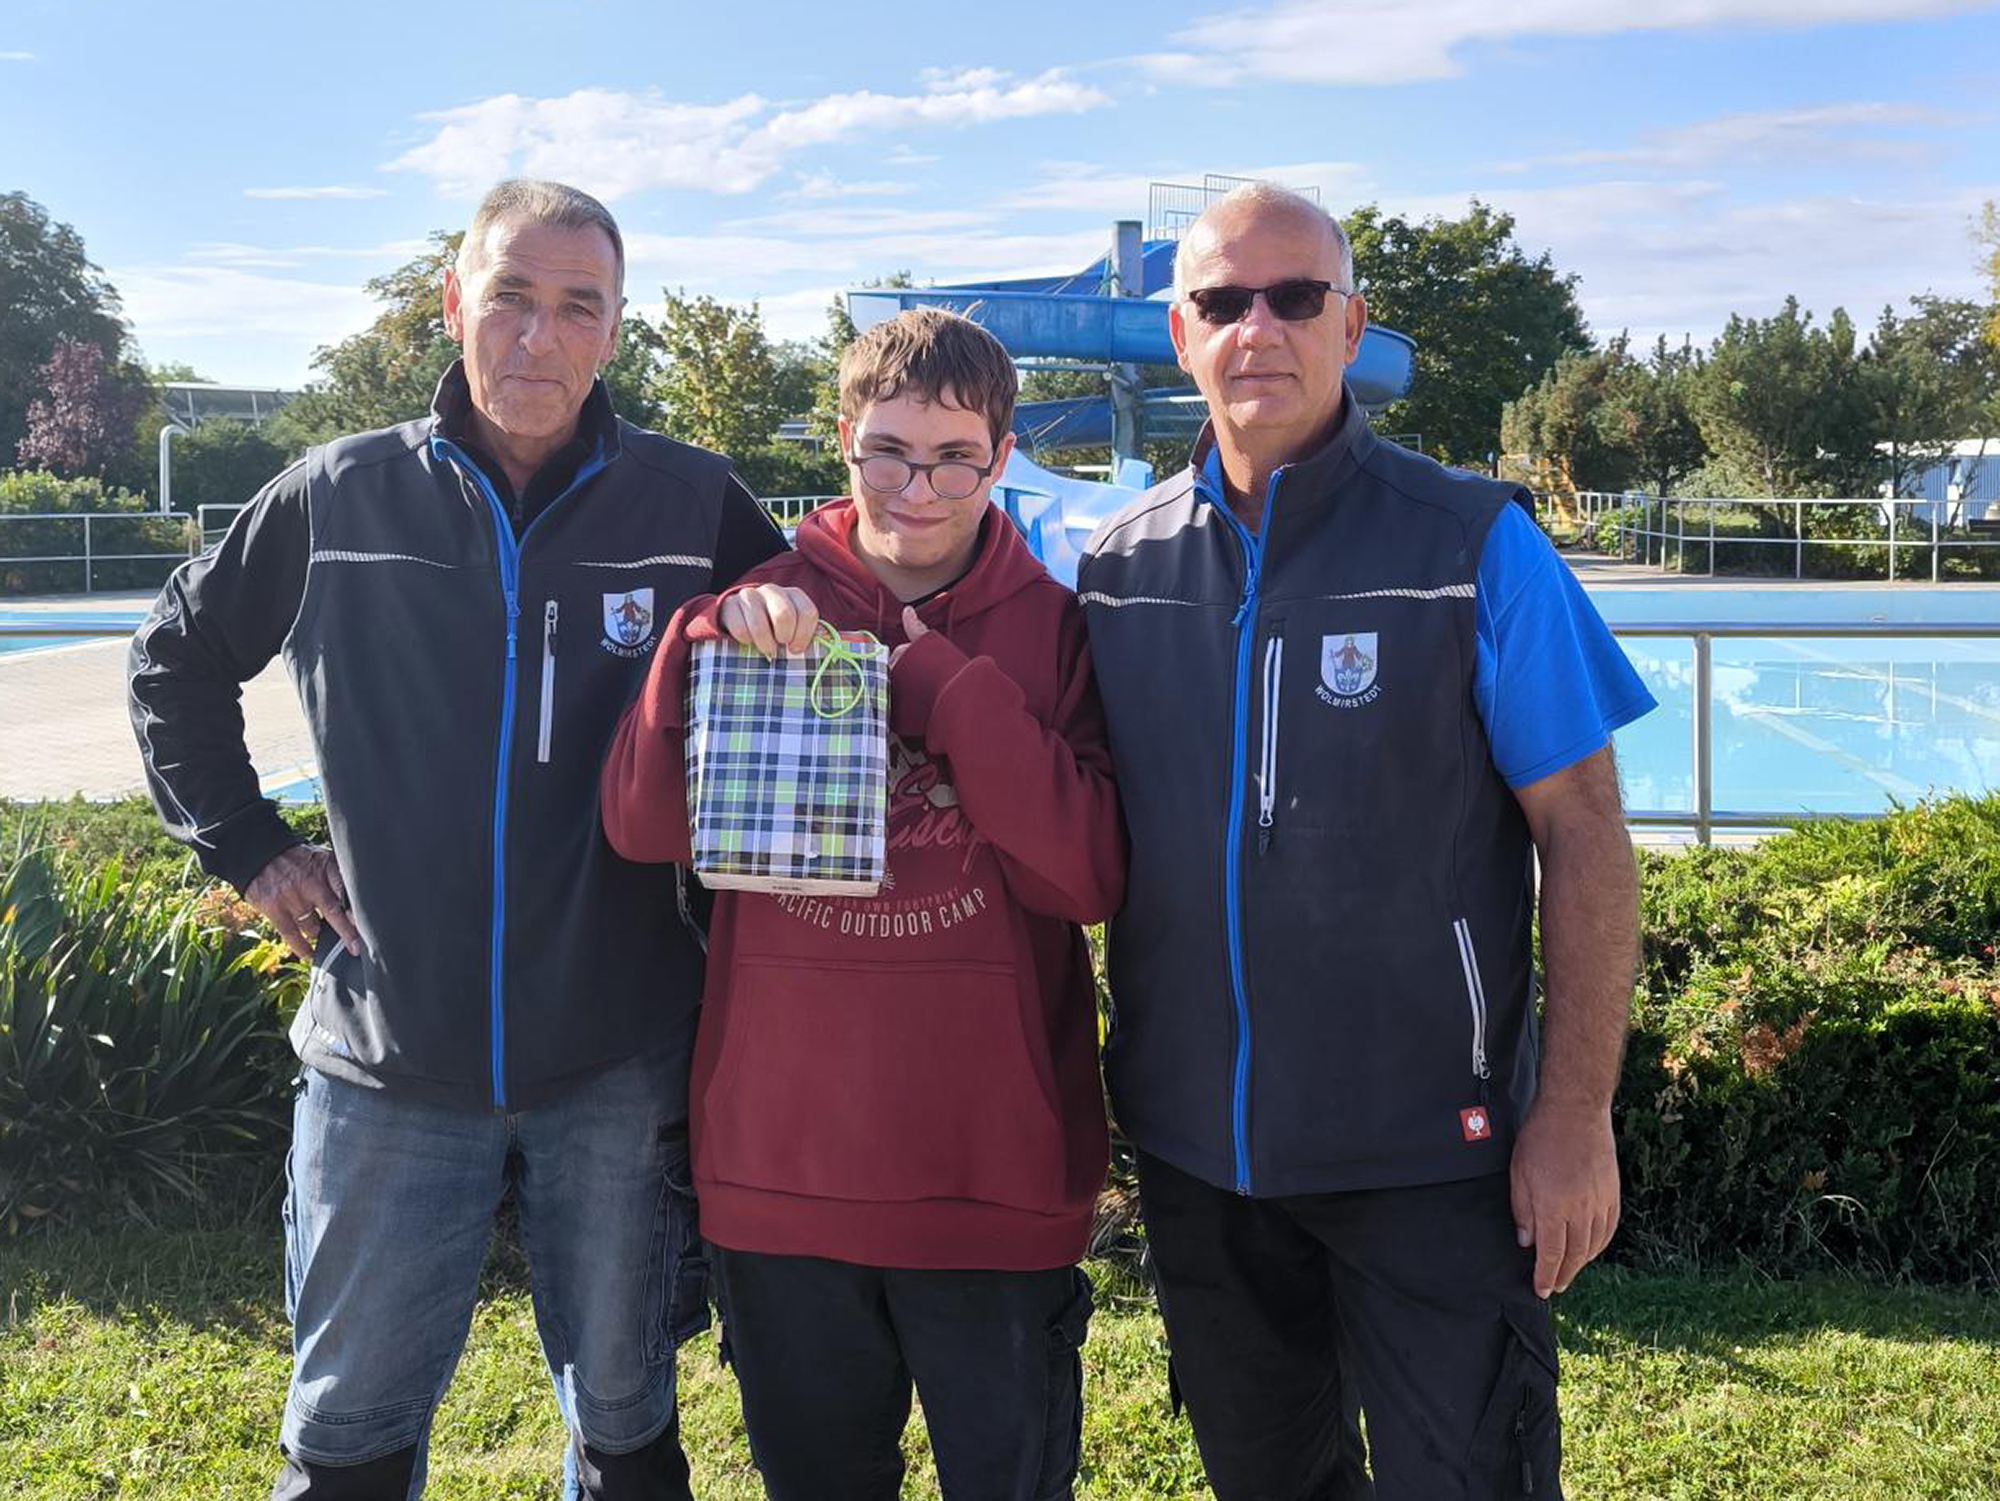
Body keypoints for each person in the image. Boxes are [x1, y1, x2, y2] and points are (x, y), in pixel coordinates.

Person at [126, 178, 786, 1499]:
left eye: (578, 306)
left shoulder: (692, 504)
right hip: (387, 1056)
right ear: (453, 303)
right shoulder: (339, 495)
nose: (539, 337)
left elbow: (820, 651)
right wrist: (251, 846)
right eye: (510, 298)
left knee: (626, 1430)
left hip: (618, 1056)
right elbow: (172, 660)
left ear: (614, 328)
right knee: (347, 1440)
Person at [1074, 182, 1657, 1499]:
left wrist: (1573, 1116)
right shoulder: (1119, 566)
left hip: (1431, 1157)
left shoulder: (1471, 543)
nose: (1258, 328)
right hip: (1199, 1158)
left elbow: (1583, 831)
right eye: (1223, 300)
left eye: (1295, 297)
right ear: (1180, 333)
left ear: (1350, 324)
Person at [600, 307, 1122, 1501]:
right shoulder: (760, 609)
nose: (917, 489)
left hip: (992, 1175)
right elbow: (639, 824)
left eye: (953, 459)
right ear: (843, 440)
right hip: (784, 1173)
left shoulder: (1051, 628)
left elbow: (1083, 878)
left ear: (1000, 456)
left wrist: (944, 688)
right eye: (886, 452)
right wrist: (695, 647)